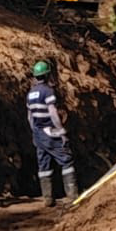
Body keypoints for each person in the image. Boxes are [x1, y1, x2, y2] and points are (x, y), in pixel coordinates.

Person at [26, 59, 78, 206]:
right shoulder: (48, 91)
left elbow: (29, 117)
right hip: (49, 132)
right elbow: (53, 113)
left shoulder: (30, 94)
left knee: (43, 165)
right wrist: (61, 131)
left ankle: (48, 198)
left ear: (35, 76)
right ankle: (72, 196)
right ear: (47, 75)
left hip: (38, 133)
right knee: (66, 160)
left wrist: (35, 133)